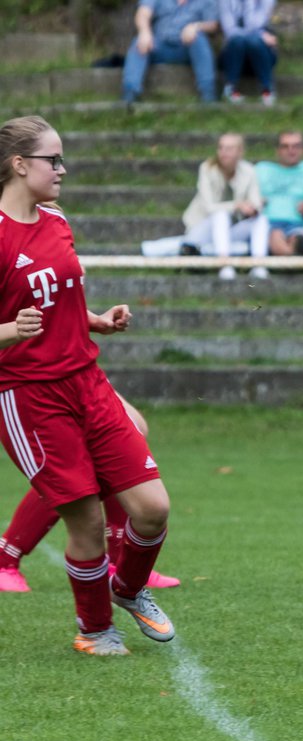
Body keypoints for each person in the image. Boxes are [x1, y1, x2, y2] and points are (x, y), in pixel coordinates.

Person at [0, 115, 175, 656]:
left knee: (152, 507)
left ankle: (127, 588)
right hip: (29, 396)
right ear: (19, 164)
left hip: (86, 380)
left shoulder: (54, 217)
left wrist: (97, 319)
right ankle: (96, 630)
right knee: (88, 518)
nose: (62, 168)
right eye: (52, 159)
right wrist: (8, 331)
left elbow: (60, 295)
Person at [1, 395, 181, 593]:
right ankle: (5, 557)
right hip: (36, 378)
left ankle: (120, 562)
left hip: (80, 370)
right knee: (85, 457)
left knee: (124, 435)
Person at [181, 132, 270, 281]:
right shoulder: (206, 169)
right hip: (201, 229)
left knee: (261, 220)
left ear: (240, 151)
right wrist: (237, 206)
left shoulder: (249, 170)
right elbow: (209, 207)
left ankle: (259, 266)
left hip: (229, 230)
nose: (223, 152)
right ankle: (225, 265)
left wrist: (253, 208)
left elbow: (256, 202)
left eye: (229, 148)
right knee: (220, 215)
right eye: (220, 148)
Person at [121, 0, 220, 105]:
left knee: (200, 39)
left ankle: (208, 95)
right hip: (159, 45)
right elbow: (142, 14)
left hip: (187, 48)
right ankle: (130, 94)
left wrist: (196, 26)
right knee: (139, 41)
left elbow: (213, 24)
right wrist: (144, 32)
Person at [256, 130, 303, 257]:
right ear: (277, 150)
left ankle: (292, 261)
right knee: (276, 234)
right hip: (268, 222)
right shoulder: (262, 169)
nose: (291, 150)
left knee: (297, 238)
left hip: (299, 223)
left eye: (296, 146)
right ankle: (294, 261)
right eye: (285, 146)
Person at [218, 0, 278, 105]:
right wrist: (261, 35)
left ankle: (267, 90)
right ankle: (230, 90)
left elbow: (257, 23)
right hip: (234, 55)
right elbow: (229, 30)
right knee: (237, 41)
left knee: (254, 42)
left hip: (260, 54)